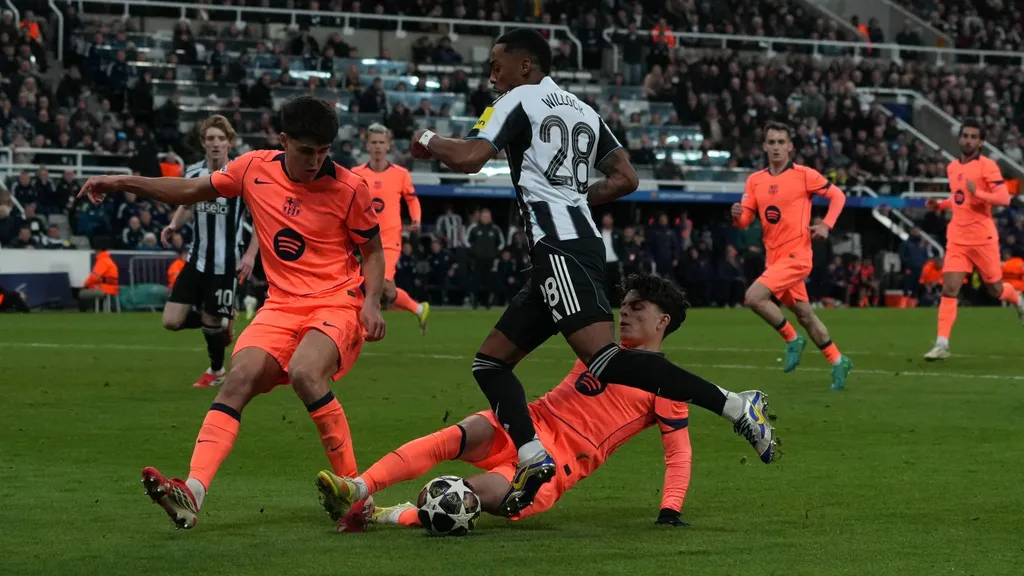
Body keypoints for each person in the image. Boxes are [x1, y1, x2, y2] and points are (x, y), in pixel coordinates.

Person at [409, 28, 776, 517]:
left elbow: (471, 159)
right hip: (574, 246)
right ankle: (532, 455)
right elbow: (626, 178)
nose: (492, 77)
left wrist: (426, 139)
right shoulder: (583, 109)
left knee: (603, 360)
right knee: (490, 364)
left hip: (558, 247)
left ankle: (734, 405)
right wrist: (577, 197)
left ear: (525, 66)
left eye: (497, 66)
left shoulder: (515, 100)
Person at [77, 96, 387, 530]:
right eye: (305, 151)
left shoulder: (351, 188)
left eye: (323, 151)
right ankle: (192, 493)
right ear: (283, 141)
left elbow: (373, 252)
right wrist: (122, 182)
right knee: (237, 380)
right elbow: (189, 190)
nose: (315, 160)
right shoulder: (253, 168)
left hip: (336, 300)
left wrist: (371, 302)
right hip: (280, 305)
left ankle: (356, 495)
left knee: (305, 372)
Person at [315, 273, 770, 529]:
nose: (625, 313)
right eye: (625, 305)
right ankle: (359, 488)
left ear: (663, 321)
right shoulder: (599, 348)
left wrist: (669, 511)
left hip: (558, 463)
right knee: (459, 434)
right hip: (528, 422)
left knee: (467, 496)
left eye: (638, 308)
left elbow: (679, 454)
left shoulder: (666, 387)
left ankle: (387, 516)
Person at [731, 121, 853, 391]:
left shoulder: (804, 175)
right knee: (806, 315)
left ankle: (791, 339)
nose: (776, 147)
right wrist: (737, 216)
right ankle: (838, 360)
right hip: (774, 260)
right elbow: (746, 220)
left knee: (754, 297)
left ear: (790, 147)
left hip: (797, 256)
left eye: (780, 142)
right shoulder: (755, 180)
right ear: (764, 147)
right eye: (771, 142)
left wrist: (826, 225)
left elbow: (838, 196)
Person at [159, 115, 260, 388]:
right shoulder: (194, 174)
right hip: (197, 260)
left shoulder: (241, 176)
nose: (215, 143)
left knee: (211, 320)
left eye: (221, 139)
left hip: (227, 263)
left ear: (229, 143)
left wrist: (250, 255)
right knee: (171, 321)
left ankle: (216, 371)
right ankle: (221, 320)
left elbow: (260, 221)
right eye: (210, 138)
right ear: (203, 143)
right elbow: (186, 205)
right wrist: (173, 225)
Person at [922, 119, 1024, 360]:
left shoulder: (987, 166)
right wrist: (941, 205)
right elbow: (959, 198)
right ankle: (942, 344)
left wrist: (978, 192)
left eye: (973, 137)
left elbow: (1004, 199)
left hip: (982, 238)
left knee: (995, 290)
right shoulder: (952, 167)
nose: (968, 140)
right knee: (949, 288)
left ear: (981, 142)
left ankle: (1017, 299)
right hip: (958, 238)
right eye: (965, 136)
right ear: (960, 138)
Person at [351, 123, 429, 334]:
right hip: (365, 239)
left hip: (390, 238)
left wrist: (416, 219)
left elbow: (412, 199)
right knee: (386, 289)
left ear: (388, 145)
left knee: (380, 283)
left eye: (381, 142)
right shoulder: (356, 174)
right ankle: (418, 309)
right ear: (367, 145)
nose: (377, 146)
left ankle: (366, 330)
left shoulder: (400, 174)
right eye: (374, 142)